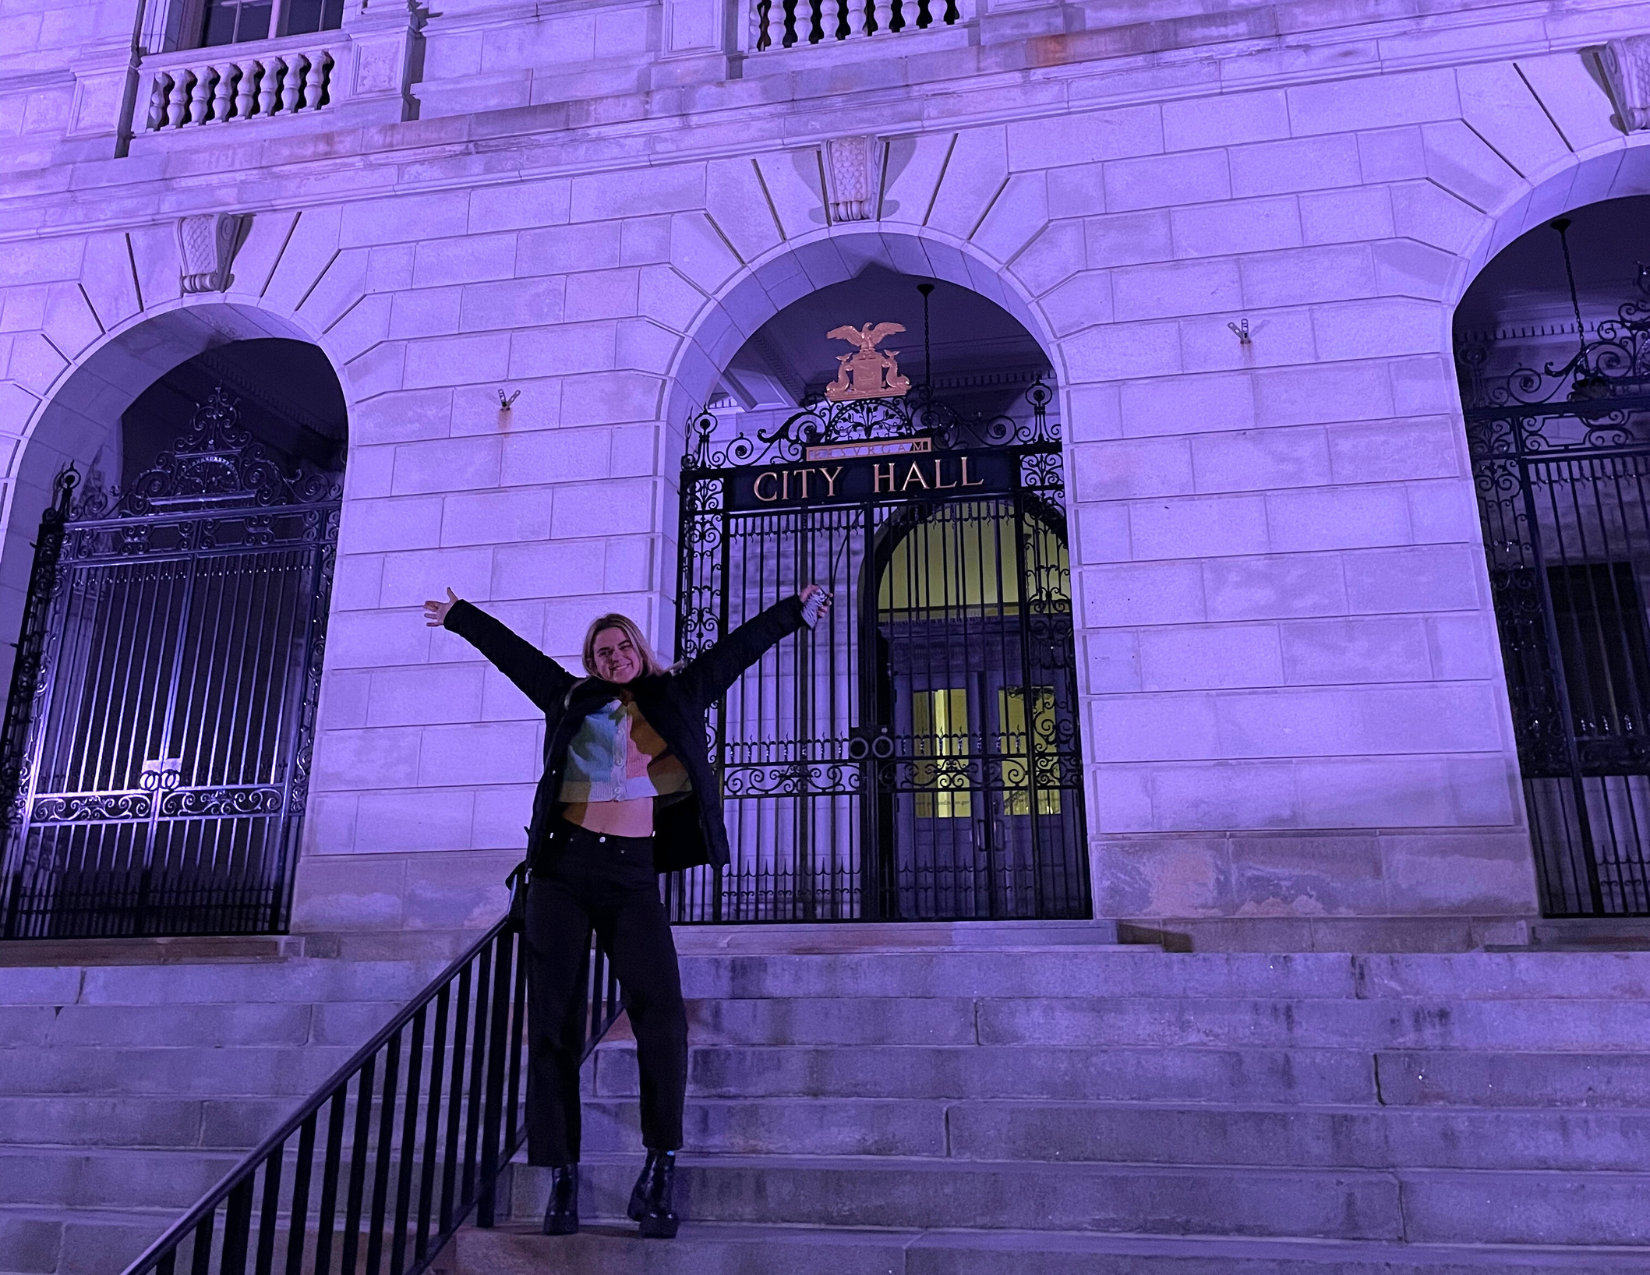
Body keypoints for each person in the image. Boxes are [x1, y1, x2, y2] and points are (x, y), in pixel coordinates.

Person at [422, 584, 830, 1238]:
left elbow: (735, 652)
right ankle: (561, 1177)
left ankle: (660, 1167)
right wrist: (462, 617)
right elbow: (516, 657)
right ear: (591, 661)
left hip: (632, 875)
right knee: (552, 1023)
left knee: (662, 1019)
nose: (612, 657)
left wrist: (793, 613)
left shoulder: (678, 692)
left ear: (639, 650)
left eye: (621, 647)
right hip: (563, 871)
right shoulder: (571, 696)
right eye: (600, 651)